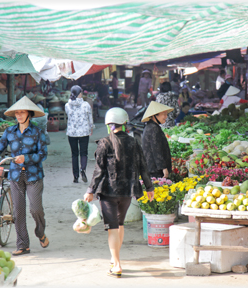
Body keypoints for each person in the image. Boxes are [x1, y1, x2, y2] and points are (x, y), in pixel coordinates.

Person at [0, 96, 48, 256]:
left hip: (34, 176)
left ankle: (40, 232)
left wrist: (27, 158)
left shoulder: (37, 132)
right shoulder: (9, 132)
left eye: (22, 112)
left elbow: (43, 154)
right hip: (15, 175)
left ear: (29, 114)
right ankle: (23, 245)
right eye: (17, 113)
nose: (19, 115)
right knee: (18, 212)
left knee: (35, 209)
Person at [83, 107, 154, 278]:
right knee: (120, 225)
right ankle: (115, 258)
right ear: (124, 124)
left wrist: (90, 190)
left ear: (108, 125)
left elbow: (98, 171)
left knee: (112, 228)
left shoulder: (104, 143)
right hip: (127, 192)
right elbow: (143, 166)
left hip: (108, 192)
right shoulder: (134, 142)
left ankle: (117, 264)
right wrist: (149, 187)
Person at [65, 85, 93, 183]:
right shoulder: (86, 105)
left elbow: (68, 115)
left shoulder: (67, 105)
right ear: (79, 94)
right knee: (84, 153)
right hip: (84, 132)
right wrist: (91, 127)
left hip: (71, 133)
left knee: (74, 154)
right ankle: (83, 169)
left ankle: (75, 176)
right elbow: (90, 118)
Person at [141, 101, 173, 178]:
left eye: (166, 114)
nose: (166, 117)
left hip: (153, 168)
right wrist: (164, 168)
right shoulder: (153, 129)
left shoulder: (152, 126)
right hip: (155, 170)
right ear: (155, 115)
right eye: (164, 114)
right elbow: (156, 150)